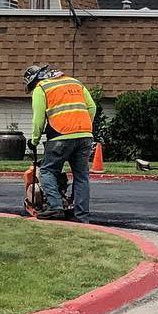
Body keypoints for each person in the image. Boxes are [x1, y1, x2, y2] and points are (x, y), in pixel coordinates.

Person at [25, 64, 98, 222]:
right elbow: (92, 107)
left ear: (35, 80)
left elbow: (38, 120)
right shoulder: (75, 83)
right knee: (81, 177)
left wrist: (34, 140)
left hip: (60, 136)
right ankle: (82, 216)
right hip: (85, 135)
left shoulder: (42, 88)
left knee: (47, 171)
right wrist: (83, 127)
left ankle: (55, 207)